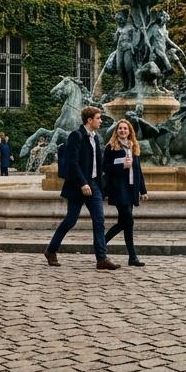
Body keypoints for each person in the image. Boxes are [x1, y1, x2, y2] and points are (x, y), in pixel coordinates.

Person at [45, 106, 117, 270]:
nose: (100, 121)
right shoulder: (76, 136)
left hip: (94, 185)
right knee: (70, 220)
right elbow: (72, 163)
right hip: (79, 185)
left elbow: (97, 163)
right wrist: (83, 183)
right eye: (98, 118)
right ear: (89, 120)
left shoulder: (95, 137)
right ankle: (51, 250)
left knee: (99, 221)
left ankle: (101, 258)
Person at [103, 119, 148, 266]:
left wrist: (143, 190)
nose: (123, 131)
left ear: (130, 132)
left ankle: (101, 244)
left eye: (125, 129)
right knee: (128, 221)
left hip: (131, 189)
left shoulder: (133, 147)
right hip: (118, 188)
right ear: (116, 131)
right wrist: (121, 165)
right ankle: (132, 257)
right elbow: (105, 168)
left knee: (124, 222)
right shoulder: (111, 147)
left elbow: (138, 171)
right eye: (120, 129)